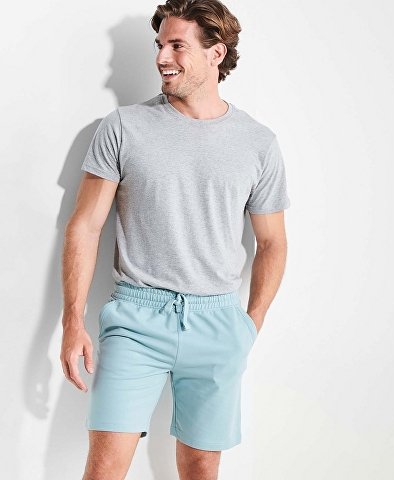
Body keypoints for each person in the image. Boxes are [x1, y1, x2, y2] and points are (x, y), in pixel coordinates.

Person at [61, 0, 290, 478]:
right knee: (104, 468)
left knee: (201, 468)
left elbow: (272, 242)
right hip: (135, 319)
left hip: (218, 323)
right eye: (159, 45)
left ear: (215, 53)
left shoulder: (258, 142)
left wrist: (249, 325)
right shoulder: (123, 127)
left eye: (177, 46)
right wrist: (72, 320)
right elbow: (85, 225)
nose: (162, 57)